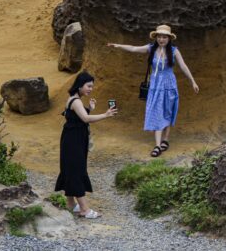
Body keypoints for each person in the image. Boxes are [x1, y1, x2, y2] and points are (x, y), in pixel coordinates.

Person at [106, 25, 199, 157]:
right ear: (156, 38)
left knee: (168, 111)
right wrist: (118, 45)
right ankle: (157, 145)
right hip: (155, 86)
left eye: (164, 37)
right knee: (156, 112)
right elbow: (134, 48)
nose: (161, 39)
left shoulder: (174, 51)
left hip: (169, 85)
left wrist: (192, 81)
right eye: (159, 37)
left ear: (169, 38)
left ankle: (165, 140)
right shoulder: (151, 48)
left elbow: (183, 66)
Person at [55, 71, 118, 219]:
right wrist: (105, 115)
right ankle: (84, 209)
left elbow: (77, 117)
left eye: (92, 86)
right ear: (79, 85)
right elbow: (85, 118)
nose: (90, 89)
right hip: (73, 141)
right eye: (88, 86)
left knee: (71, 169)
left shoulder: (75, 100)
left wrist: (89, 108)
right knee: (76, 170)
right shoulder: (75, 101)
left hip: (73, 139)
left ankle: (71, 204)